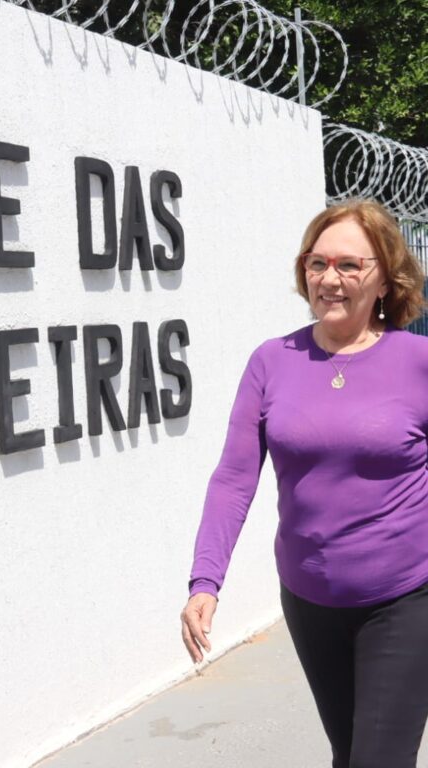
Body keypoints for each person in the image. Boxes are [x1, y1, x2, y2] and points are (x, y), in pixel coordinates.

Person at [180, 198, 428, 768]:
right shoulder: (272, 361)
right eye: (317, 264)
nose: (329, 279)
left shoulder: (417, 363)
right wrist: (205, 580)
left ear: (386, 279)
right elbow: (234, 477)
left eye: (349, 265)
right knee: (349, 752)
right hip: (310, 598)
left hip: (405, 598)